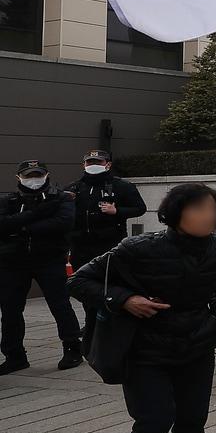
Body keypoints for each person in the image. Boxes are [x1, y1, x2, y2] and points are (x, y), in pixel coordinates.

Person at [69, 182, 216, 433]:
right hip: (145, 349)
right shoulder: (137, 248)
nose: (209, 216)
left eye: (212, 210)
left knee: (191, 422)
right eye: (199, 209)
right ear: (175, 215)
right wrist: (125, 300)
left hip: (196, 345)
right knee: (155, 420)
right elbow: (80, 281)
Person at [0, 160, 82, 373]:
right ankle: (14, 355)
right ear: (18, 178)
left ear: (46, 175)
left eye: (38, 174)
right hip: (13, 262)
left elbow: (63, 223)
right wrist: (38, 215)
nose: (33, 179)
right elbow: (3, 225)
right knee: (10, 309)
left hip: (50, 260)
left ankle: (73, 348)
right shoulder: (9, 200)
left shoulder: (61, 198)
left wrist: (21, 227)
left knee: (60, 305)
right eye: (28, 175)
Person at [65, 149, 147, 350]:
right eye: (90, 161)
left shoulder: (121, 186)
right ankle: (91, 321)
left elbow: (140, 208)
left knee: (111, 283)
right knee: (83, 285)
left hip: (109, 245)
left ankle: (109, 321)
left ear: (108, 164)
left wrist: (116, 211)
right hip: (81, 246)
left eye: (98, 161)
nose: (93, 164)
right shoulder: (75, 188)